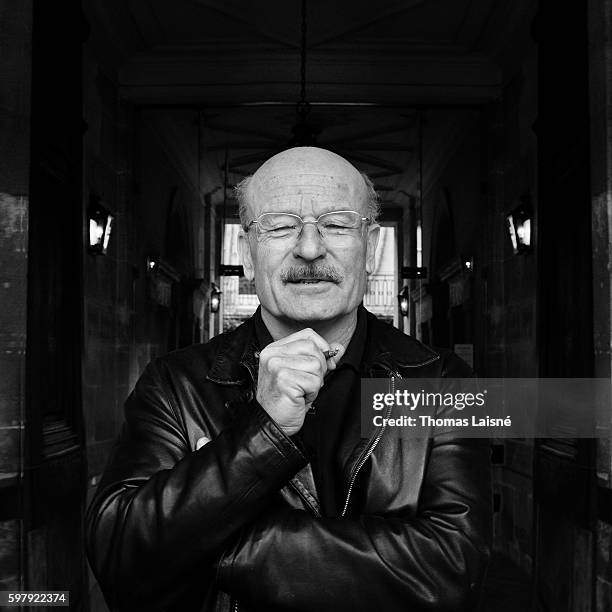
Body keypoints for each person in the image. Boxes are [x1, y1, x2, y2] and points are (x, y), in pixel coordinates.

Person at [86, 147, 492, 612]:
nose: (310, 248)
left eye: (338, 224)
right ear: (247, 253)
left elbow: (453, 573)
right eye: (280, 226)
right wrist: (262, 431)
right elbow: (120, 558)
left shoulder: (445, 383)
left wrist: (210, 534)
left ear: (372, 247)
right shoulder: (173, 385)